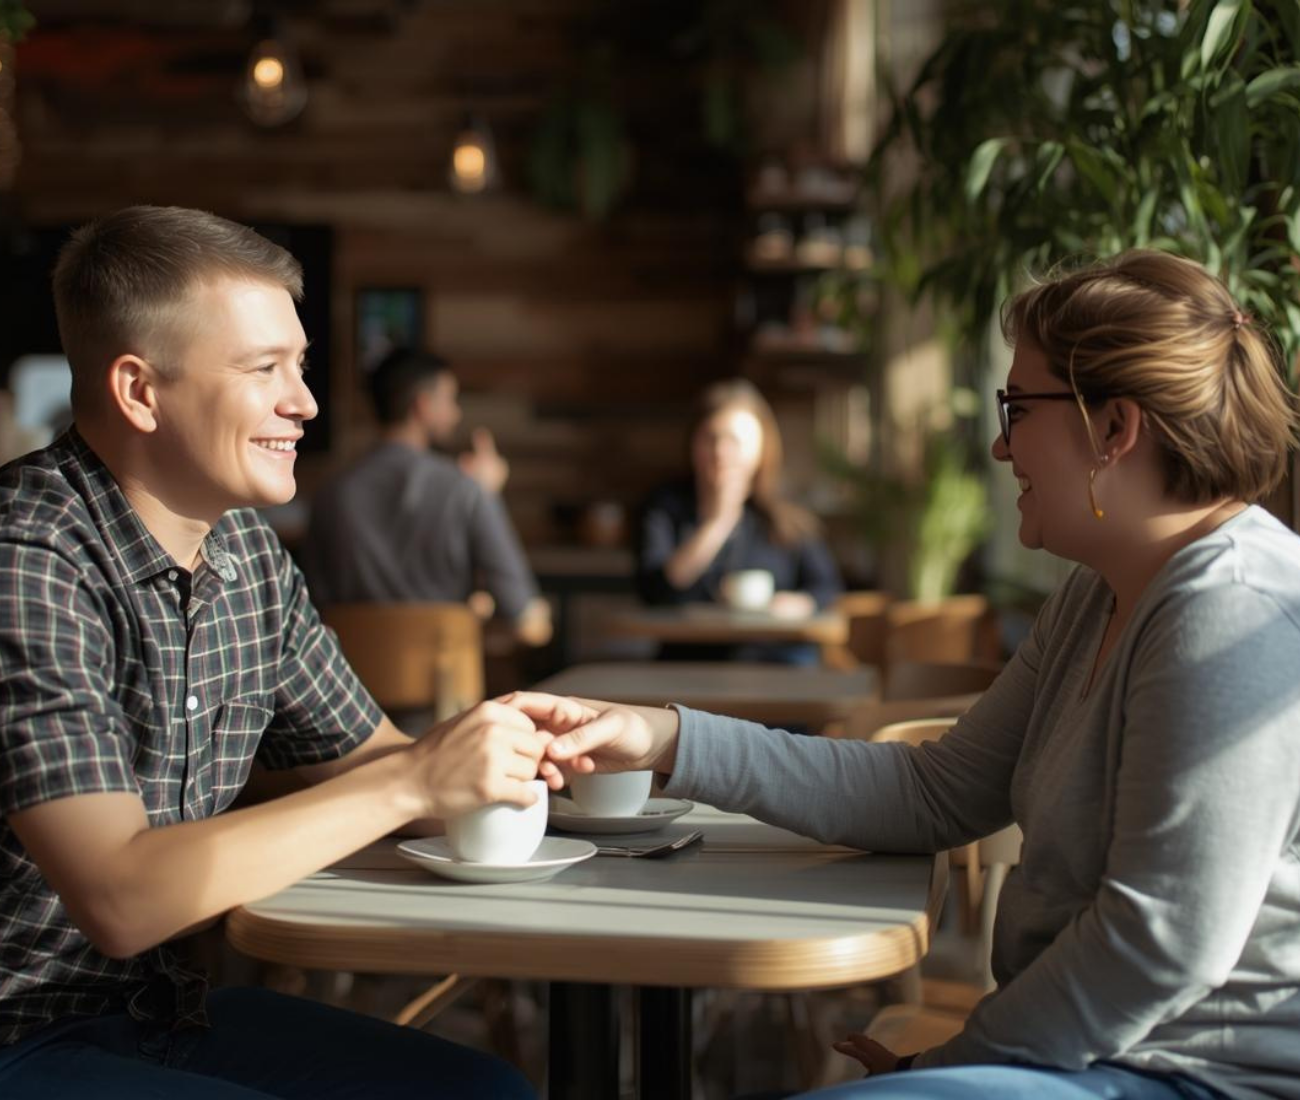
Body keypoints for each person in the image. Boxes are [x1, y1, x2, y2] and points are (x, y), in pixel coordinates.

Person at [510, 250, 1300, 1099]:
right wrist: (664, 736)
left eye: (1017, 408)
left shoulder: (1235, 610)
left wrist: (951, 1063)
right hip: (1090, 1057)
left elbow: (1159, 949)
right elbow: (934, 792)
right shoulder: (1097, 594)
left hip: (1192, 1078)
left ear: (1114, 429)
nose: (1000, 445)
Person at [0, 206, 544, 1099]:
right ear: (140, 391)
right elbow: (120, 899)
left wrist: (531, 757)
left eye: (301, 365)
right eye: (265, 370)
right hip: (20, 1036)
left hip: (162, 1016)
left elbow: (376, 772)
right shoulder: (31, 554)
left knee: (486, 1093)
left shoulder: (246, 552)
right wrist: (415, 782)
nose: (307, 402)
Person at [302, 347, 551, 645]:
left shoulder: (330, 495)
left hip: (343, 683)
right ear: (422, 406)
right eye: (450, 400)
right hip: (446, 686)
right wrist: (489, 496)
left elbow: (312, 610)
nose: (456, 413)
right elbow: (529, 626)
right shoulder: (465, 490)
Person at [636, 378, 842, 663]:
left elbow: (826, 587)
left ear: (761, 449)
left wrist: (799, 604)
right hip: (690, 660)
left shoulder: (784, 515)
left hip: (774, 659)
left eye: (735, 441)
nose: (721, 452)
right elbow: (655, 590)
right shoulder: (666, 506)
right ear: (693, 443)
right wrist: (718, 522)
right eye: (710, 438)